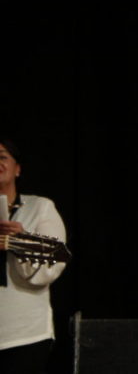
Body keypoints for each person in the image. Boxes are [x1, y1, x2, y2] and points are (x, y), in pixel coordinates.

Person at [0, 137, 68, 374]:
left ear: (17, 168)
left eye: (2, 157)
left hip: (23, 334)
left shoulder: (39, 207)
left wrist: (21, 242)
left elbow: (52, 265)